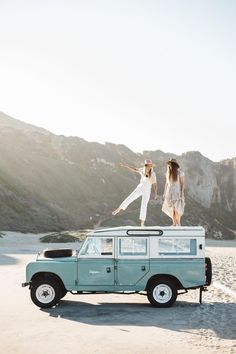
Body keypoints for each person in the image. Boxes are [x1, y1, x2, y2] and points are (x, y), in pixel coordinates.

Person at [112, 159, 158, 227]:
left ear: (150, 166)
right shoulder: (142, 169)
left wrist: (155, 193)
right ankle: (119, 209)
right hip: (140, 187)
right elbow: (135, 169)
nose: (146, 166)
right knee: (130, 197)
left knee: (144, 205)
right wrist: (126, 166)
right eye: (146, 164)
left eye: (148, 165)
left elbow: (155, 184)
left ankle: (142, 223)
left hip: (147, 189)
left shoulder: (153, 174)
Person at [162, 158, 185, 226]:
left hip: (177, 193)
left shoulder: (180, 173)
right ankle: (174, 223)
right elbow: (166, 184)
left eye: (171, 164)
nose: (169, 165)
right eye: (169, 164)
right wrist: (164, 193)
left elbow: (182, 183)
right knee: (172, 208)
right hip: (169, 193)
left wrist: (182, 193)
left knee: (177, 208)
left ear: (174, 165)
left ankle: (178, 223)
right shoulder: (168, 173)